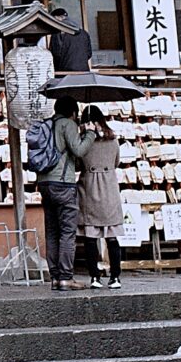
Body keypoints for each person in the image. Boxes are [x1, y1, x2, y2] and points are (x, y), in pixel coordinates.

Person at [37, 93, 92, 290]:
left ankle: (55, 277)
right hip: (63, 184)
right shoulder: (67, 125)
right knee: (67, 232)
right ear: (73, 112)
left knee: (52, 231)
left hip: (44, 183)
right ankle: (66, 277)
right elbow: (78, 150)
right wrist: (90, 134)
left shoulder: (47, 124)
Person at [74, 103, 123, 288]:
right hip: (109, 186)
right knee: (111, 235)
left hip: (89, 186)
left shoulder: (84, 141)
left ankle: (95, 276)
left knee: (90, 235)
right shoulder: (113, 139)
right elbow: (116, 162)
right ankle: (115, 277)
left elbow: (78, 164)